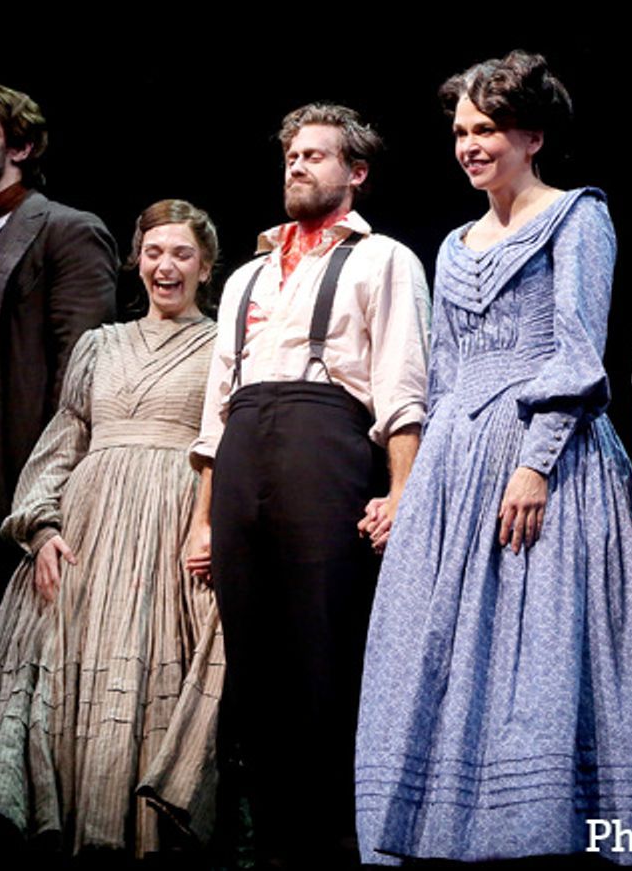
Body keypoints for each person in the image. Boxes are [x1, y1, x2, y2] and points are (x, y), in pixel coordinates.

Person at [356, 51, 632, 865]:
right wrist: (419, 482)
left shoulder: (578, 217)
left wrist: (536, 462)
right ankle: (443, 829)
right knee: (430, 644)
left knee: (537, 648)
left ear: (532, 137)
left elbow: (580, 354)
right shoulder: (455, 242)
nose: (470, 145)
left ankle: (547, 832)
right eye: (462, 132)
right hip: (454, 462)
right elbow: (443, 371)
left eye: (488, 130)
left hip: (546, 456)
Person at [0, 200, 222, 857]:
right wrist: (40, 527)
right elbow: (63, 441)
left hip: (170, 528)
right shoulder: (100, 344)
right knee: (64, 688)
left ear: (205, 267)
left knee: (154, 684)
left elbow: (231, 443)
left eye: (181, 253)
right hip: (88, 535)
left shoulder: (227, 344)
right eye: (153, 252)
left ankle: (140, 836)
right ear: (136, 262)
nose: (165, 265)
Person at [186, 104, 429, 869]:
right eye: (292, 154)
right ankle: (279, 840)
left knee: (325, 650)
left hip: (327, 444)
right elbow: (215, 406)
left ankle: (340, 839)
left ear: (355, 173)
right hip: (244, 456)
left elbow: (402, 387)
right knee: (253, 663)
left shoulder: (384, 259)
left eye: (316, 156)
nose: (297, 165)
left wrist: (402, 492)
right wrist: (202, 520)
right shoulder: (245, 278)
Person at [0, 80, 120, 786]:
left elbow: (83, 368)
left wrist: (56, 487)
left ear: (22, 146)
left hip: (26, 474)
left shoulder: (66, 229)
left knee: (27, 656)